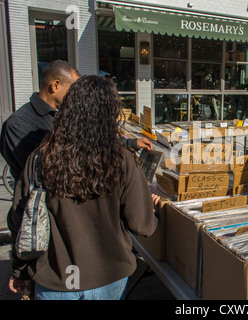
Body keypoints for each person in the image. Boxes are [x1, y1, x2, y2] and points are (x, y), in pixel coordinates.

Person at [8, 75, 158, 300]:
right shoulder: (121, 159)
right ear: (109, 113)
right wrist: (154, 211)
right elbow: (142, 225)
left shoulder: (40, 158)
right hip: (108, 276)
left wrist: (20, 270)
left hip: (55, 279)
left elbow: (20, 220)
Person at [0, 60, 153, 184]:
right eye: (73, 90)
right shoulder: (18, 124)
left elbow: (91, 141)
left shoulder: (61, 115)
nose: (78, 96)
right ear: (55, 86)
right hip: (41, 214)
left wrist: (130, 143)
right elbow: (45, 172)